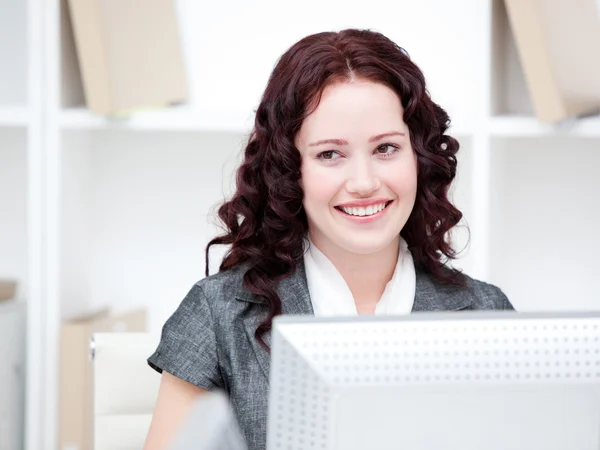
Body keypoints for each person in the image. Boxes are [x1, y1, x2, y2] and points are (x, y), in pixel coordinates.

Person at [143, 28, 514, 450]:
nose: (363, 182)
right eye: (329, 154)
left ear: (419, 157)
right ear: (290, 170)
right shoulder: (219, 314)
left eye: (386, 148)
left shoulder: (487, 315)